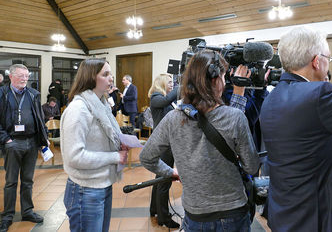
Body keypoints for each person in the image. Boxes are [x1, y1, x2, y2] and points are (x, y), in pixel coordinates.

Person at [259, 26, 332, 232]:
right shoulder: (320, 93)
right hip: (320, 216)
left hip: (286, 213)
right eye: (328, 59)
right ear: (316, 60)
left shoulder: (272, 98)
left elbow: (305, 141)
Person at [140, 50, 260, 231]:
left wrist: (171, 172)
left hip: (195, 214)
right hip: (232, 212)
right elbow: (251, 167)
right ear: (214, 79)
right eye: (223, 76)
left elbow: (147, 157)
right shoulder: (235, 117)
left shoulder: (173, 118)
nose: (225, 81)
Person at [60, 58, 128, 232]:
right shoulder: (79, 109)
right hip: (85, 190)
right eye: (105, 74)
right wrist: (115, 156)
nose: (111, 78)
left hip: (102, 183)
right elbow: (75, 157)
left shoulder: (102, 105)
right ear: (90, 77)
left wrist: (120, 144)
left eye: (111, 73)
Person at [0, 64, 49, 232]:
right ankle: (7, 215)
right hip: (12, 143)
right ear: (11, 76)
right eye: (21, 75)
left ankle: (27, 211)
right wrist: (6, 140)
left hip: (31, 142)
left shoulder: (33, 94)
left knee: (28, 181)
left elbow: (39, 119)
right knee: (11, 182)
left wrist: (43, 139)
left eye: (27, 76)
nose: (25, 79)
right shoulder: (2, 94)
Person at [148, 73, 179, 228]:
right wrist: (181, 86)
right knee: (165, 180)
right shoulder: (156, 97)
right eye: (170, 82)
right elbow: (167, 100)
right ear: (161, 83)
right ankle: (164, 218)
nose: (172, 84)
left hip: (166, 143)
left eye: (173, 82)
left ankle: (154, 209)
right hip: (164, 145)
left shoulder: (164, 99)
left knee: (159, 178)